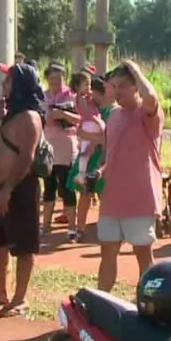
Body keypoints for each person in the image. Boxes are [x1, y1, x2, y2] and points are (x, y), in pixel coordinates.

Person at [0, 64, 44, 317]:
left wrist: (8, 189)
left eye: (8, 81)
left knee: (24, 247)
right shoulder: (14, 114)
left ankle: (20, 299)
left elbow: (27, 157)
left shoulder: (29, 117)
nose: (3, 85)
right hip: (3, 189)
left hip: (19, 189)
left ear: (21, 86)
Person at [96, 60, 164, 292]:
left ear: (136, 86)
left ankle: (149, 303)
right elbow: (110, 154)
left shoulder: (147, 113)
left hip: (139, 199)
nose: (118, 91)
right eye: (114, 86)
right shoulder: (113, 116)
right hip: (112, 197)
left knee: (143, 255)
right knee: (107, 253)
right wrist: (98, 172)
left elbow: (152, 98)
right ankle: (101, 303)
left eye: (123, 86)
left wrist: (135, 68)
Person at [68, 76, 114, 242]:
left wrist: (93, 139)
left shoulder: (112, 111)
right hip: (91, 155)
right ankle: (80, 229)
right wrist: (94, 138)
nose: (91, 94)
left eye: (93, 91)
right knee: (85, 194)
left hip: (104, 157)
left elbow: (108, 138)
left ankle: (109, 229)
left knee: (105, 195)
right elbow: (81, 132)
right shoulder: (90, 107)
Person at [42, 63, 79, 241]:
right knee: (48, 185)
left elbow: (81, 119)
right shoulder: (42, 96)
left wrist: (63, 115)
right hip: (47, 145)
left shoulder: (72, 95)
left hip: (66, 145)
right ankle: (46, 225)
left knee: (66, 186)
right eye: (52, 78)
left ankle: (72, 227)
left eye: (59, 78)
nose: (55, 81)